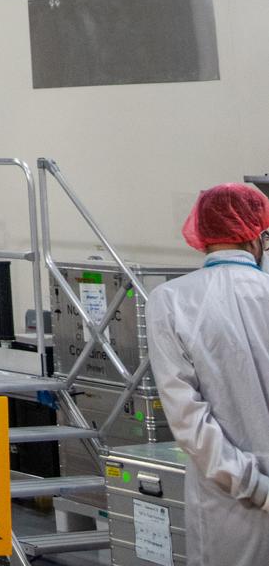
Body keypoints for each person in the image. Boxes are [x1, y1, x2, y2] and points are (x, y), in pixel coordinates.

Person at [147, 182, 269, 565]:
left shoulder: (171, 300)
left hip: (227, 501)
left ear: (201, 233)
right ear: (257, 234)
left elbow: (190, 421)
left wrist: (257, 486)